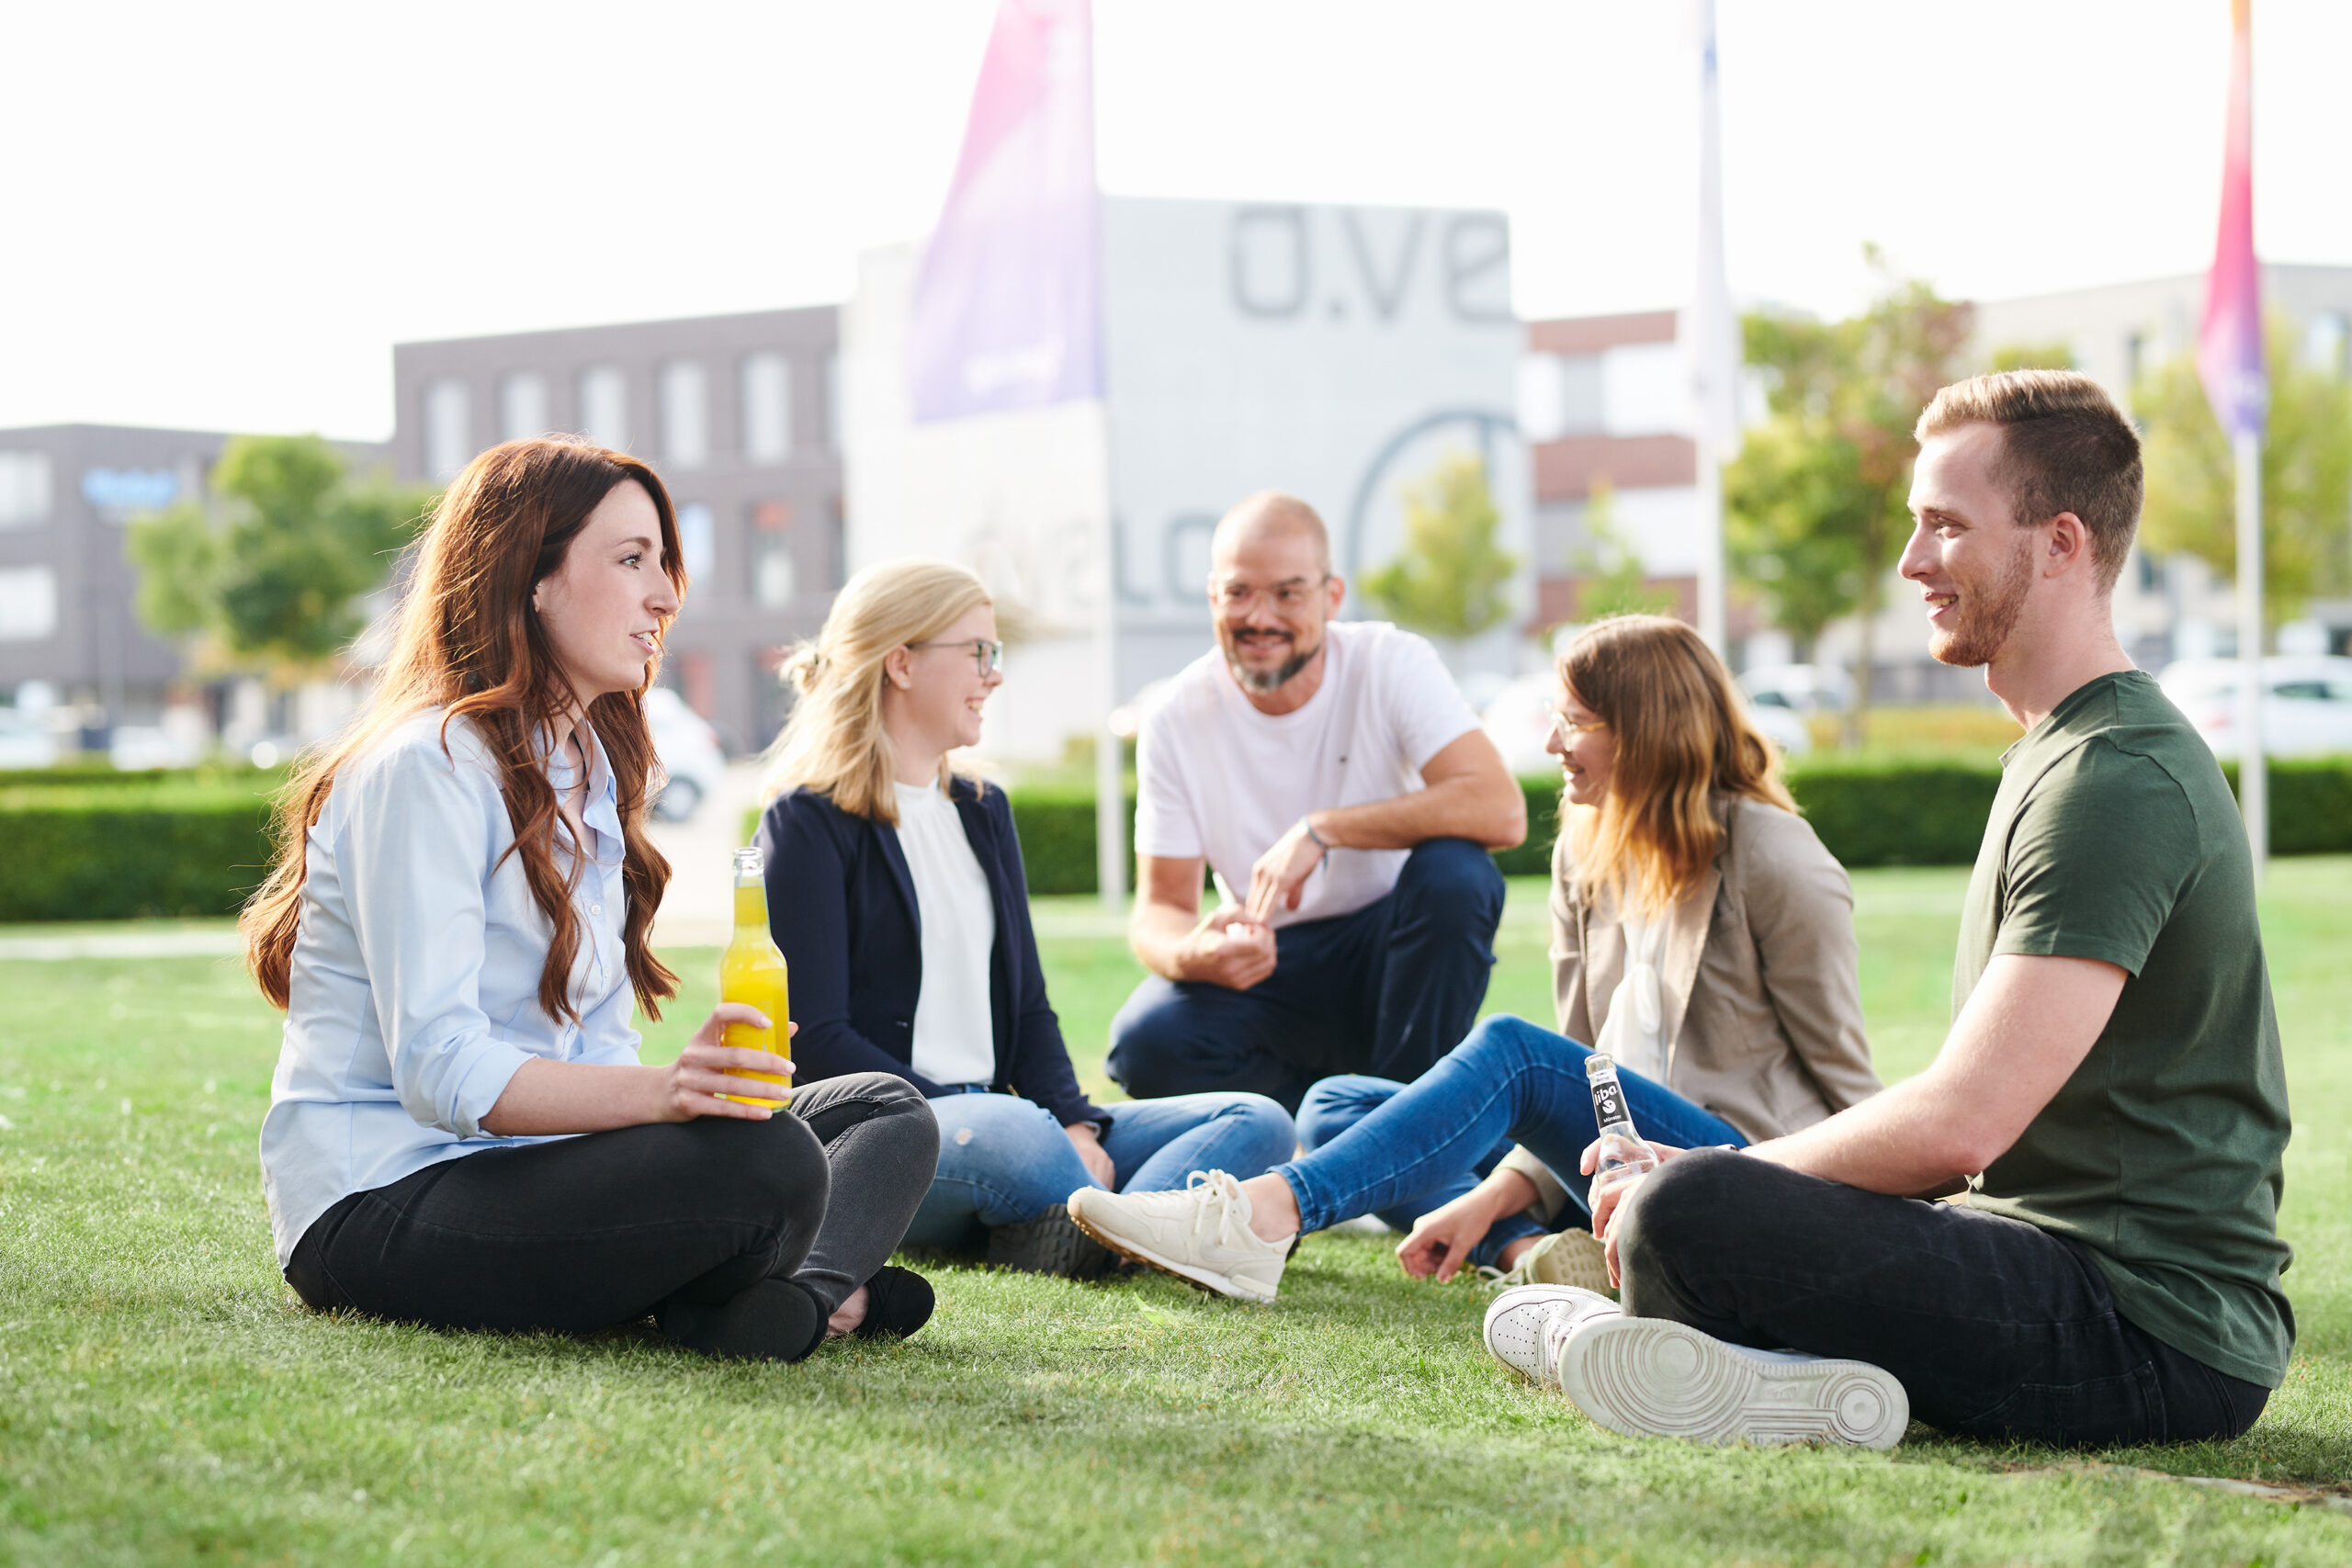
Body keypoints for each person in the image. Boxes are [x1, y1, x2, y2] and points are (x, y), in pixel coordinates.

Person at [1497, 370, 2295, 1452]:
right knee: (1689, 1203)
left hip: (2150, 1331)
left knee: (1691, 1209)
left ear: (2059, 543)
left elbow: (1964, 1123)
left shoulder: (2116, 778)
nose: (1911, 562)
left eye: (1945, 528)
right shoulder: (2056, 755)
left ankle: (1685, 1327)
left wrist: (1709, 1173)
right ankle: (1762, 1372)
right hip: (2047, 1265)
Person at [254, 438, 938, 1366]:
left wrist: (692, 1101)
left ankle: (790, 1298)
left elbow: (598, 1046)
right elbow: (441, 1072)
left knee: (882, 1111)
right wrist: (664, 1096)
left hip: (531, 1178)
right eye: (630, 560)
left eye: (664, 562)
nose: (665, 594)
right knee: (767, 1161)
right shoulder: (425, 770)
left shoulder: (585, 771)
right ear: (529, 578)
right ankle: (796, 1284)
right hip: (385, 1202)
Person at [1068, 615, 1882, 1303]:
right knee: (1337, 1105)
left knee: (1513, 1053)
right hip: (1608, 1163)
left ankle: (1264, 1214)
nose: (1554, 742)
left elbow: (1845, 1089)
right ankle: (1528, 1252)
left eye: (1578, 723)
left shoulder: (1775, 857)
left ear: (1646, 727)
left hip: (1741, 1169)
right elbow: (1585, 1087)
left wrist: (1877, 1238)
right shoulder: (1587, 852)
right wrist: (1493, 1200)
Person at [756, 559, 1295, 1278]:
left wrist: (1072, 1119)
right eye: (978, 652)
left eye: (995, 653)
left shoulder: (983, 810)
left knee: (1258, 1120)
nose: (994, 674)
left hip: (1011, 1122)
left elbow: (1030, 1005)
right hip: (896, 1133)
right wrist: (1022, 1122)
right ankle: (1159, 1230)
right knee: (1015, 1132)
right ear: (902, 663)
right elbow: (820, 1039)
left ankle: (1092, 1231)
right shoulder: (806, 823)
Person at [1107, 491, 1527, 1112]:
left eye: (1288, 592)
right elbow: (1159, 909)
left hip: (1397, 952)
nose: (1261, 615)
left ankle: (1405, 1126)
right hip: (1273, 962)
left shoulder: (1391, 663)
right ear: (1212, 596)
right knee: (1144, 1042)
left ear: (1332, 596)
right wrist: (1194, 951)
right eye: (1239, 591)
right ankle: (1328, 1129)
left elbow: (1500, 808)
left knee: (1456, 874)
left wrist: (1324, 828)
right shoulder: (1176, 715)